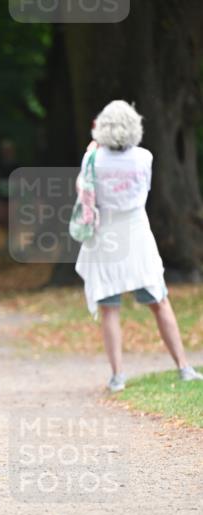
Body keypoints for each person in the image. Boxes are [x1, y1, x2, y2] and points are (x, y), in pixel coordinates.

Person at [74, 99, 202, 391]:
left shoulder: (93, 159)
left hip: (104, 237)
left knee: (109, 307)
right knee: (159, 301)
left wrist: (90, 153)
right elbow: (144, 191)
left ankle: (118, 375)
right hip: (137, 236)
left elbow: (83, 191)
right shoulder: (145, 157)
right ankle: (183, 366)